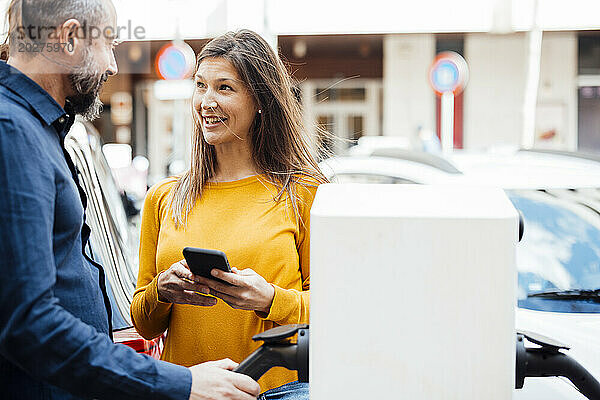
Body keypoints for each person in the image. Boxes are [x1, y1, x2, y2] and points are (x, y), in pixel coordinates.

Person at [0, 1, 260, 399]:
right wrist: (181, 383)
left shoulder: (35, 129)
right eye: (108, 44)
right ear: (69, 38)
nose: (113, 66)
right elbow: (29, 322)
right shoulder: (13, 133)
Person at [130, 30, 328, 397]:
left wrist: (269, 298)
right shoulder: (165, 198)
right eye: (201, 86)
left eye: (224, 88)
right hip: (190, 392)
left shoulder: (304, 194)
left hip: (274, 393)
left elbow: (336, 310)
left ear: (260, 101)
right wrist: (162, 290)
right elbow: (144, 324)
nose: (207, 101)